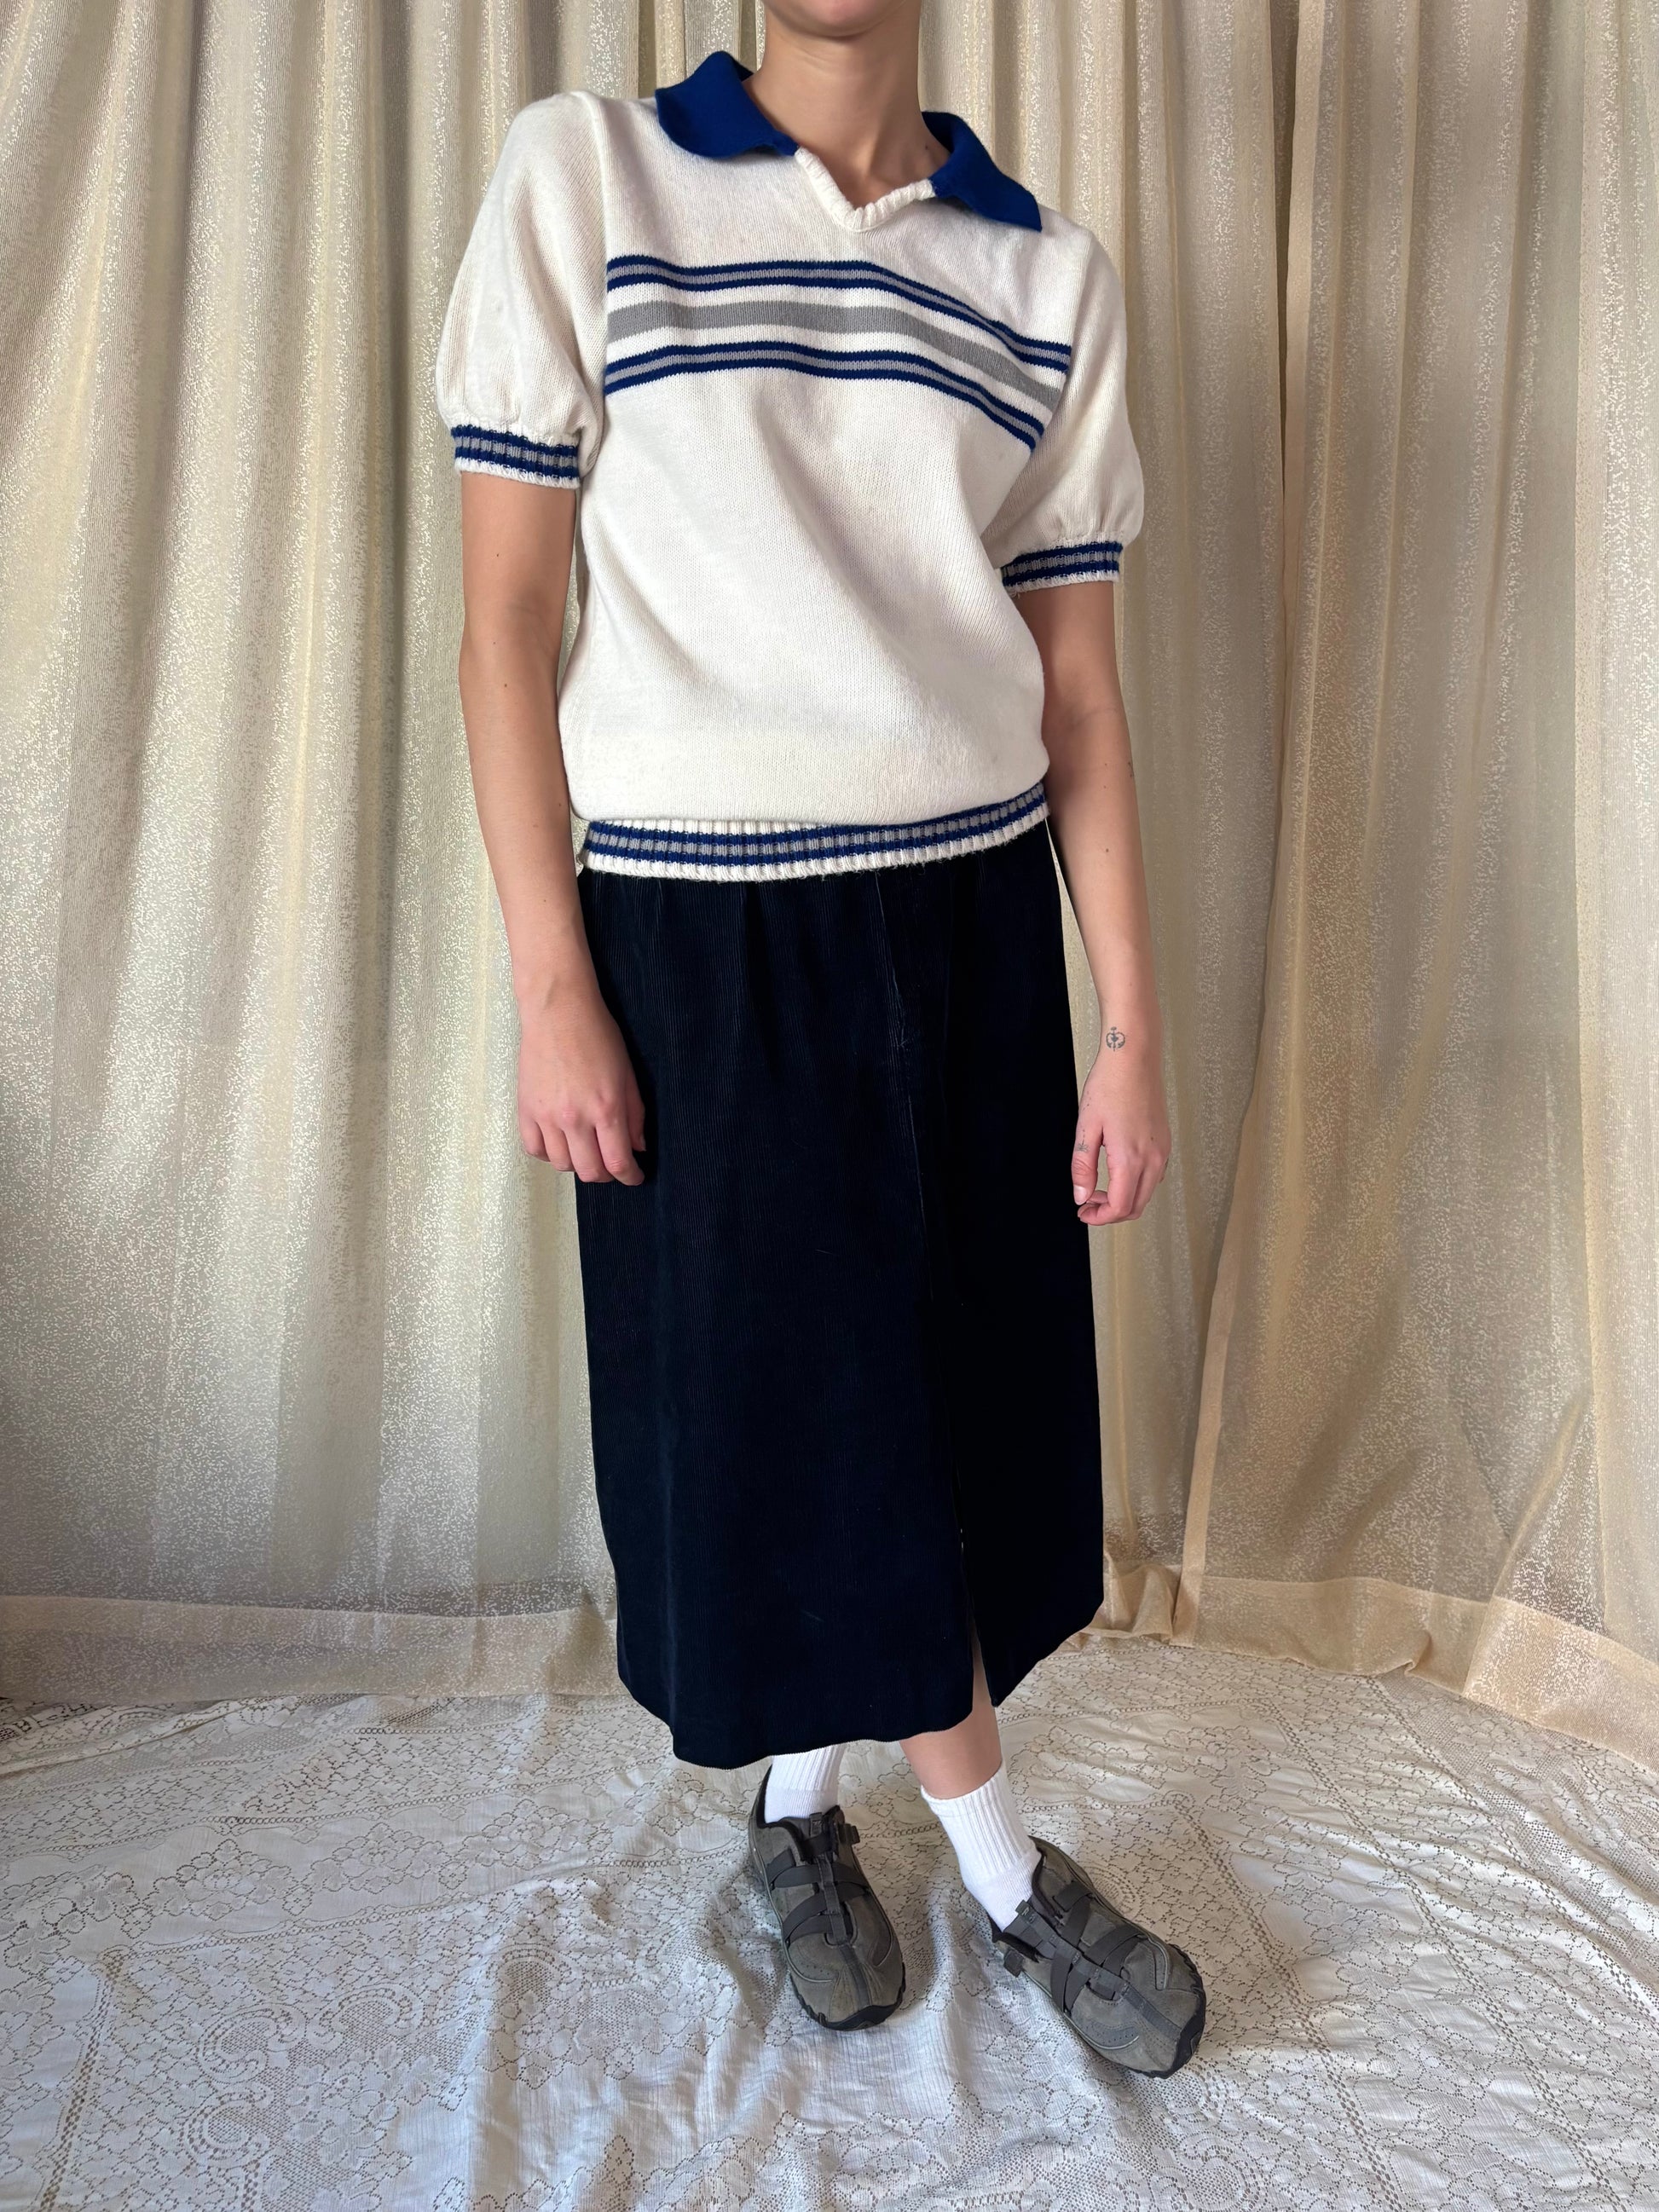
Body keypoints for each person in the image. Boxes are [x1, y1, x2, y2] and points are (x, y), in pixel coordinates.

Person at [437, 0, 1204, 2077]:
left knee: (949, 1418)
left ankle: (793, 1817)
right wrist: (552, 981)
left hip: (969, 921)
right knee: (816, 1416)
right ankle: (1010, 1873)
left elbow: (1077, 693)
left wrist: (1130, 1022)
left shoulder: (1042, 274)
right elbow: (504, 618)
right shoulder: (590, 179)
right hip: (703, 931)